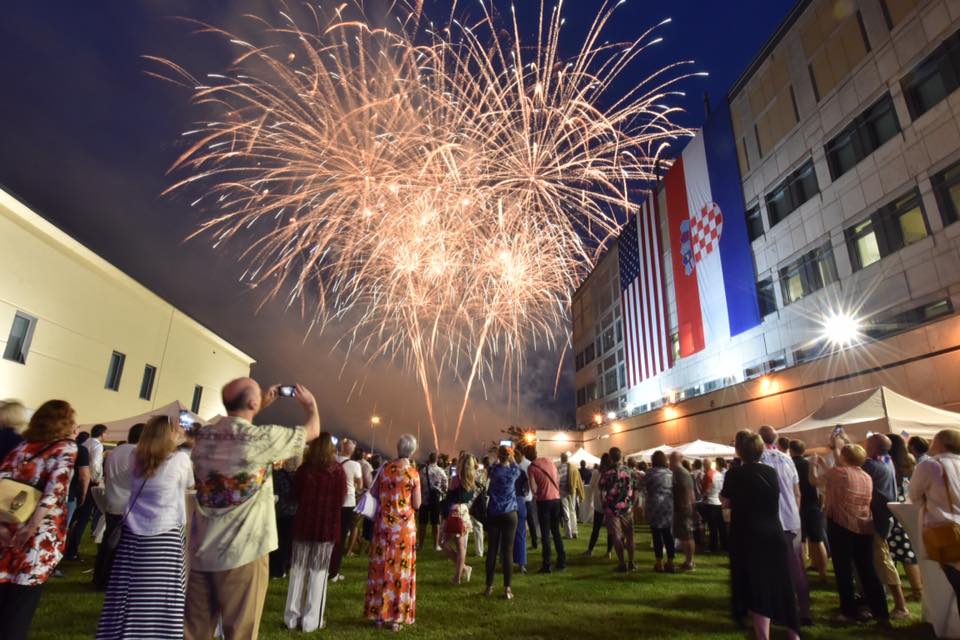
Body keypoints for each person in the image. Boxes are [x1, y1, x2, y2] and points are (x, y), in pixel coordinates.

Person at [185, 379, 320, 640]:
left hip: (202, 551)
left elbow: (236, 426)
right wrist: (311, 405)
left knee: (194, 632)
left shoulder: (204, 437)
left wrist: (256, 406)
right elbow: (312, 430)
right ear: (252, 403)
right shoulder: (261, 439)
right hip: (244, 553)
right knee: (241, 631)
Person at [96, 415, 194, 639]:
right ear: (169, 435)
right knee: (160, 595)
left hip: (132, 534)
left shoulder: (135, 458)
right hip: (165, 535)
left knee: (128, 592)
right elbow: (190, 483)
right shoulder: (179, 460)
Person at [0, 400, 78, 640]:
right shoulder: (65, 447)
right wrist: (31, 527)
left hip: (8, 527)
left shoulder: (22, 447)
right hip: (38, 534)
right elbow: (55, 491)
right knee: (19, 608)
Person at [721, 431, 800, 640]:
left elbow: (726, 501)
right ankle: (793, 633)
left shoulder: (734, 474)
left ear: (739, 450)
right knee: (782, 584)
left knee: (757, 589)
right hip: (773, 533)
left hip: (748, 536)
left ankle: (763, 636)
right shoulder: (770, 472)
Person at [284, 433, 346, 632]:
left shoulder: (304, 470)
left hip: (304, 525)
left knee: (298, 570)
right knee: (318, 573)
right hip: (326, 527)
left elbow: (294, 495)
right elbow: (342, 498)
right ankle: (311, 620)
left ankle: (292, 618)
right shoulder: (338, 471)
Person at [824, 444, 890, 628]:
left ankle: (849, 612)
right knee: (868, 570)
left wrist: (816, 465)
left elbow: (818, 480)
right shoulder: (866, 476)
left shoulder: (839, 473)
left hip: (842, 525)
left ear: (844, 457)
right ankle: (881, 613)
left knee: (843, 571)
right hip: (864, 526)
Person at [364, 434, 420, 632]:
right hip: (403, 530)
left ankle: (379, 615)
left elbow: (374, 493)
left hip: (383, 527)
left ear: (398, 448)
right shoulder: (413, 473)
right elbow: (417, 504)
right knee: (400, 571)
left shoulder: (384, 469)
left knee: (381, 568)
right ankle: (396, 617)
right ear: (412, 451)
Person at [757, 426, 810, 625]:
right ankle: (804, 612)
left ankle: (777, 610)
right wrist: (794, 513)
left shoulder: (757, 460)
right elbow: (797, 493)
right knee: (797, 568)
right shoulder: (787, 459)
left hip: (770, 521)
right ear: (776, 438)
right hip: (792, 520)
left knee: (770, 569)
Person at [910, 429, 960, 623]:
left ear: (940, 442)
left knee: (956, 582)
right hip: (950, 528)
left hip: (946, 530)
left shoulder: (931, 465)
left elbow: (914, 494)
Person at [863, 433, 909, 618]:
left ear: (873, 447)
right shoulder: (887, 461)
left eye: (868, 443)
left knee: (882, 560)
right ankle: (876, 600)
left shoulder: (870, 466)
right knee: (878, 560)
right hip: (884, 517)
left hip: (877, 518)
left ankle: (901, 606)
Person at [94, 423, 144, 590]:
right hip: (126, 504)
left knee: (108, 542)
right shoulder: (136, 453)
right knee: (116, 546)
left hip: (112, 499)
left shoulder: (117, 450)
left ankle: (99, 577)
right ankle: (107, 580)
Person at [887, 433, 923, 601]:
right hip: (905, 507)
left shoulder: (888, 463)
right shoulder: (908, 461)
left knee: (900, 551)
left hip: (893, 507)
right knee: (907, 551)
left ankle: (915, 590)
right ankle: (917, 589)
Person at [788, 439, 828, 585]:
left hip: (798, 505)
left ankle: (801, 574)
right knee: (818, 540)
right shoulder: (810, 464)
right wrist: (822, 503)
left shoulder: (790, 464)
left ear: (791, 450)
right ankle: (822, 573)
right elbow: (820, 486)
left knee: (801, 541)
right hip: (814, 505)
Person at [66, 422, 107, 560]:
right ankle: (72, 550)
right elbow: (95, 464)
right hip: (88, 482)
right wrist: (97, 479)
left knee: (74, 518)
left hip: (76, 482)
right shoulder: (97, 445)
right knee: (82, 518)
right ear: (102, 433)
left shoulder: (85, 443)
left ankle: (67, 547)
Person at [485, 445, 521, 598]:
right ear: (510, 456)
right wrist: (511, 458)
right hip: (510, 512)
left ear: (499, 456)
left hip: (494, 512)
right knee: (507, 551)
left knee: (492, 550)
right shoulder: (513, 471)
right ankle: (507, 589)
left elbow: (490, 468)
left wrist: (497, 459)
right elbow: (517, 467)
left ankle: (489, 586)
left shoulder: (493, 471)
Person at [526, 444, 566, 572]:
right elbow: (558, 478)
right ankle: (562, 561)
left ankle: (547, 564)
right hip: (556, 499)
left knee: (545, 534)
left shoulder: (531, 467)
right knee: (556, 531)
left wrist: (538, 493)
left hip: (544, 501)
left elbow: (533, 488)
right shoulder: (549, 460)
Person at [599, 447, 638, 572]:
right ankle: (631, 562)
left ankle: (622, 564)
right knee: (630, 536)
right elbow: (635, 490)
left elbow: (602, 491)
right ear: (621, 457)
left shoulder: (606, 473)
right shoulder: (630, 471)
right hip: (627, 508)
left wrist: (604, 505)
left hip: (612, 509)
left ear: (610, 457)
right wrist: (632, 505)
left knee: (616, 536)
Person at [331, 438, 363, 581]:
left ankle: (325, 566)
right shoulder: (355, 465)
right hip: (348, 502)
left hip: (332, 502)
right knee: (341, 536)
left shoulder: (333, 461)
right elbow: (360, 485)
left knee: (330, 535)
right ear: (352, 451)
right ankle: (334, 571)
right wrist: (354, 487)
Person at [443, 452, 477, 584]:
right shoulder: (472, 479)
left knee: (446, 543)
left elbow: (449, 498)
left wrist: (444, 515)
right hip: (464, 511)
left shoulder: (456, 479)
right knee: (459, 546)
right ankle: (463, 568)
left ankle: (457, 576)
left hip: (455, 511)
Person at [270, 455, 300, 580]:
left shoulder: (277, 475)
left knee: (278, 541)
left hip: (279, 512)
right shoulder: (299, 476)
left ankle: (277, 569)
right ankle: (286, 567)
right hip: (294, 512)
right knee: (289, 543)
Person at [645, 450, 675, 572]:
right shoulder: (670, 473)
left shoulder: (650, 473)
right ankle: (671, 562)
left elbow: (643, 487)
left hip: (655, 506)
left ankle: (659, 563)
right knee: (668, 534)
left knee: (657, 534)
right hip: (668, 506)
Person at [582, 453, 613, 558]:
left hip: (599, 503)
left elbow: (591, 486)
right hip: (609, 503)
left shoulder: (596, 473)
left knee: (596, 528)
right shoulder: (612, 473)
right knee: (610, 529)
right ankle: (609, 552)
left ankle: (590, 550)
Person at [669, 451, 696, 571]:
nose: (670, 462)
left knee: (686, 536)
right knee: (685, 536)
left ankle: (689, 562)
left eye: (671, 459)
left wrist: (684, 505)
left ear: (678, 460)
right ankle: (688, 561)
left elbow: (687, 490)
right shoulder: (679, 472)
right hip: (682, 507)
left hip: (683, 508)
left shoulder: (681, 473)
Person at [345, 447, 373, 557]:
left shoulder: (350, 463)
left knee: (352, 524)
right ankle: (351, 549)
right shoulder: (365, 465)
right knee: (355, 525)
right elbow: (369, 483)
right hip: (358, 497)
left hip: (351, 496)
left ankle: (356, 546)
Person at [419, 453, 448, 552]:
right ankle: (436, 545)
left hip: (424, 499)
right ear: (436, 460)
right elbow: (445, 485)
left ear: (429, 459)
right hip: (436, 500)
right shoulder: (441, 471)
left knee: (422, 523)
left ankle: (421, 545)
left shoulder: (423, 471)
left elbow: (419, 484)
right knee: (436, 523)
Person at [699, 458, 726, 552]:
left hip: (710, 502)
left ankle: (713, 547)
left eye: (703, 464)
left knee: (712, 527)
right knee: (721, 526)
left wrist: (702, 495)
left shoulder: (708, 475)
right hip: (718, 501)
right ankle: (724, 545)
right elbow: (722, 488)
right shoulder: (719, 474)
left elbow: (707, 489)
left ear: (706, 465)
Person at [511, 447, 530, 574]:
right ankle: (522, 564)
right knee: (521, 535)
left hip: (509, 503)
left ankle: (507, 561)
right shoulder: (522, 472)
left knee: (507, 535)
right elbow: (527, 489)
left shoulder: (506, 471)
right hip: (521, 501)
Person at [557, 452, 584, 539]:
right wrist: (580, 492)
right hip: (572, 491)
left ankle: (568, 533)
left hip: (563, 492)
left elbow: (557, 480)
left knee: (566, 512)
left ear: (561, 459)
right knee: (573, 511)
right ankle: (574, 531)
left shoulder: (559, 468)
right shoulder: (574, 468)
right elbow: (579, 480)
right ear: (567, 458)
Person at [517, 447, 538, 549]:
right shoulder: (528, 464)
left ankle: (526, 542)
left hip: (521, 497)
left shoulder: (521, 465)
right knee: (530, 520)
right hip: (527, 497)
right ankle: (534, 541)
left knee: (522, 521)